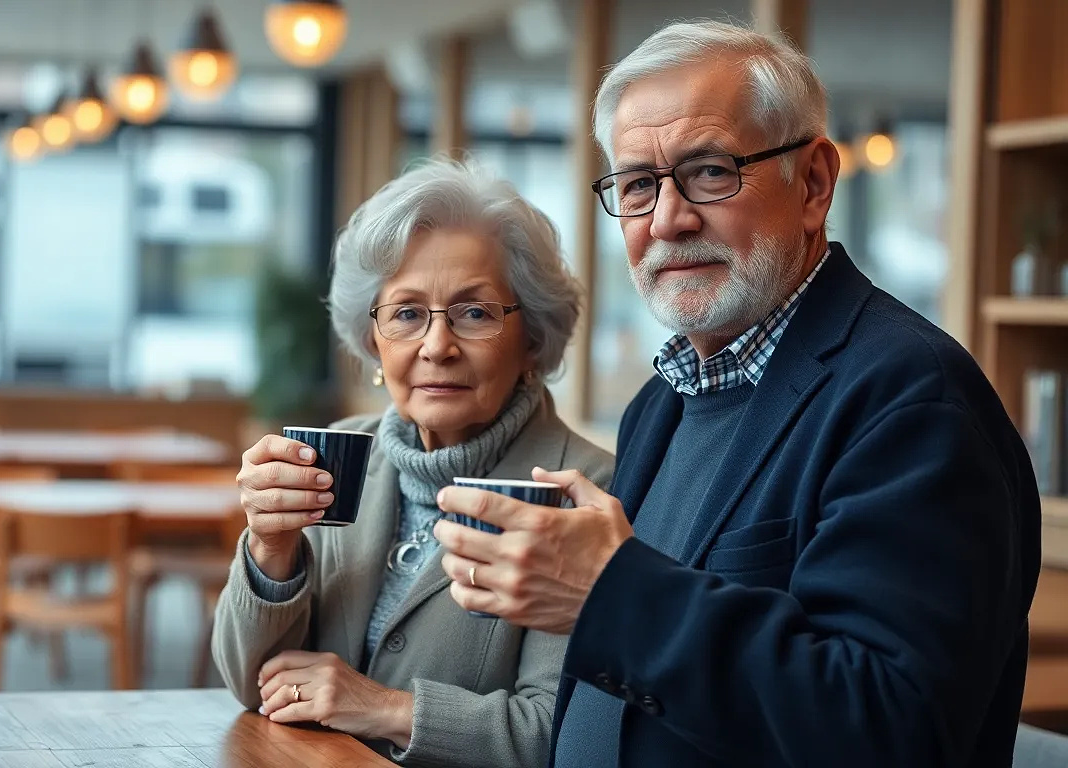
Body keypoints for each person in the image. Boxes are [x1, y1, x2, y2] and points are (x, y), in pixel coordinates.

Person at [434, 20, 1039, 768]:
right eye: (637, 185)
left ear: (813, 184)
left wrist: (613, 594)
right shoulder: (660, 403)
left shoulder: (912, 399)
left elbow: (890, 728)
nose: (668, 219)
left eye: (712, 172)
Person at [212, 159, 614, 768]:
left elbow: (561, 734)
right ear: (373, 340)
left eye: (475, 312)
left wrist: (383, 707)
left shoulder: (584, 492)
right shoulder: (335, 452)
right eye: (405, 313)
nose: (436, 346)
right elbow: (252, 684)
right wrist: (271, 550)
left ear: (532, 338)